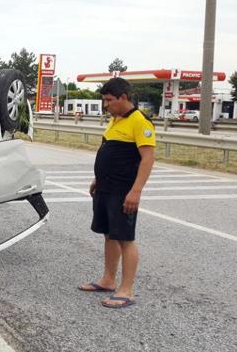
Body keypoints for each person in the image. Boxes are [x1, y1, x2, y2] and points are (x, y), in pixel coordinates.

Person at [78, 77, 155, 309]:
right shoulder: (116, 120)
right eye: (104, 100)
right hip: (105, 187)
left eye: (109, 100)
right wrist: (97, 179)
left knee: (124, 238)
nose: (106, 104)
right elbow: (109, 152)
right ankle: (108, 280)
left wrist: (136, 191)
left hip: (123, 190)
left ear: (123, 97)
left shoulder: (140, 122)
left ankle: (126, 290)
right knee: (109, 234)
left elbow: (148, 159)